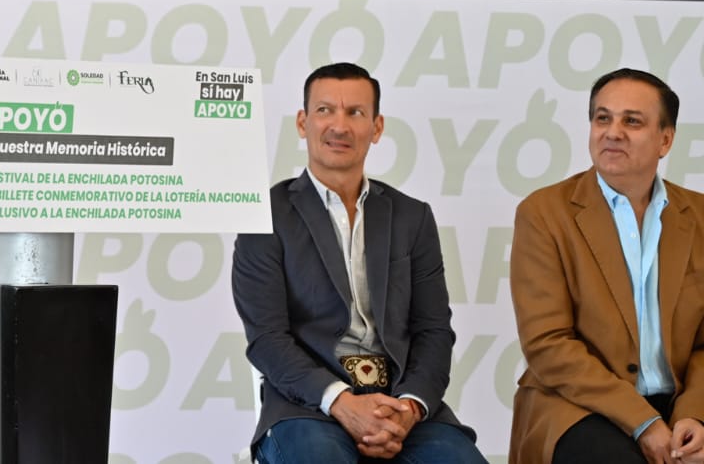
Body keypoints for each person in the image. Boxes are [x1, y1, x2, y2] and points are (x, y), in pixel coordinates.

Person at [231, 62, 485, 464]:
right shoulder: (265, 216)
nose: (339, 125)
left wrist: (409, 407)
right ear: (302, 122)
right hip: (308, 407)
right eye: (325, 110)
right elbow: (266, 338)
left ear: (376, 127)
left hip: (401, 405)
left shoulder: (412, 216)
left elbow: (434, 330)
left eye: (355, 112)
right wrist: (341, 402)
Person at [509, 68, 704, 464]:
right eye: (603, 118)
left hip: (681, 400)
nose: (612, 132)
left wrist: (694, 415)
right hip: (578, 404)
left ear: (665, 140)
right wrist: (643, 422)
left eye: (632, 121)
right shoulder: (544, 213)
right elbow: (548, 344)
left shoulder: (699, 215)